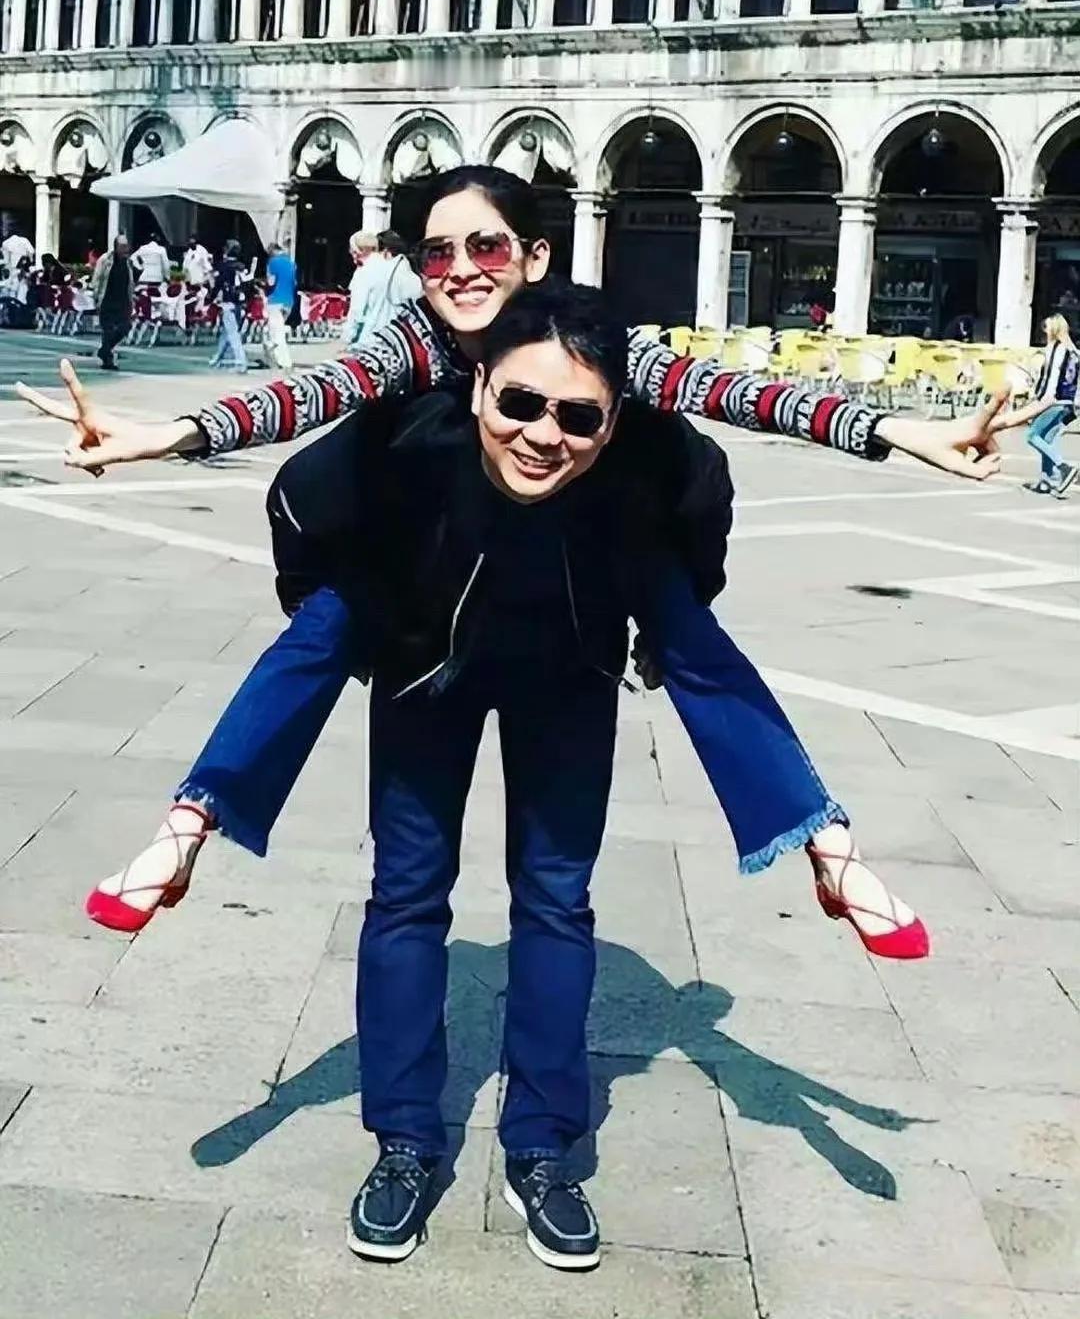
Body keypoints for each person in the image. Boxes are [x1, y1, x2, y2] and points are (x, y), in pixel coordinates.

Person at [20, 166, 1012, 965]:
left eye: (486, 246)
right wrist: (175, 433)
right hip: (428, 583)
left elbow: (732, 390)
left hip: (582, 577)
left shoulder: (584, 341)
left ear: (533, 256)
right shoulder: (413, 343)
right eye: (437, 252)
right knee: (328, 621)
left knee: (680, 618)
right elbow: (317, 391)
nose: (461, 269)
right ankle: (191, 825)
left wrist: (894, 431)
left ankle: (825, 845)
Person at [1013, 313, 1079, 497]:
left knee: (1032, 435)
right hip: (1068, 402)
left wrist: (1039, 399)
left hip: (1053, 400)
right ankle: (1047, 480)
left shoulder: (1055, 348)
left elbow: (1050, 377)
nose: (1044, 331)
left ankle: (1063, 467)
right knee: (1047, 439)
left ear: (1054, 329)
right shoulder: (1073, 352)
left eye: (1047, 328)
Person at [346, 229, 423, 346]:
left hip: (368, 340)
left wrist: (347, 339)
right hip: (398, 340)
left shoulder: (363, 273)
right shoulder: (405, 272)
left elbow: (357, 312)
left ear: (356, 251)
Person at [90, 235, 133, 371]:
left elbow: (131, 282)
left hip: (123, 301)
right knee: (107, 331)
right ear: (116, 247)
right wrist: (96, 297)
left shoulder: (128, 262)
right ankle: (107, 360)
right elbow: (97, 279)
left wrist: (131, 299)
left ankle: (104, 350)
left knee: (125, 327)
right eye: (122, 246)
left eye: (126, 246)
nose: (125, 249)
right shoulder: (105, 260)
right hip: (107, 300)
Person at [209, 239, 248, 373]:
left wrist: (211, 298)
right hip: (240, 303)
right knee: (227, 332)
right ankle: (217, 358)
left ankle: (241, 362)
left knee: (232, 333)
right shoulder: (242, 266)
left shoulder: (224, 266)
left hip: (228, 302)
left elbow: (218, 285)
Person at [262, 242, 297, 371]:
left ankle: (284, 361)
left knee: (277, 334)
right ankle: (271, 357)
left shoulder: (273, 262)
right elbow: (294, 283)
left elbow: (271, 282)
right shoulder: (292, 263)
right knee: (273, 331)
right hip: (288, 301)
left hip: (275, 300)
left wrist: (263, 285)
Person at [345, 230, 378, 343]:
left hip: (365, 337)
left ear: (359, 250)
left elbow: (357, 311)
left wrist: (349, 337)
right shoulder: (389, 267)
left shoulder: (363, 273)